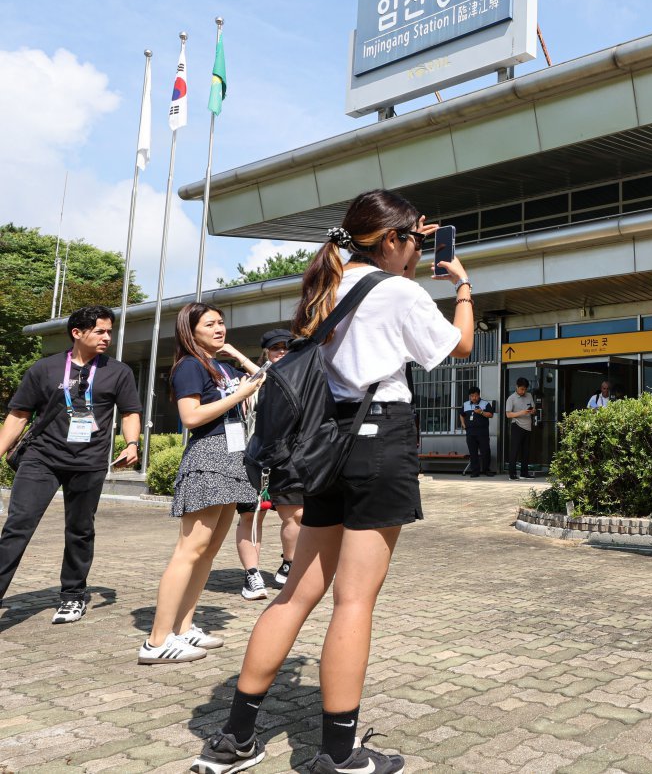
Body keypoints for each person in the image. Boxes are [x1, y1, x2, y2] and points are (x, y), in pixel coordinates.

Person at [191, 189, 473, 774]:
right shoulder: (398, 290)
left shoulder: (325, 286)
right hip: (379, 439)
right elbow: (459, 347)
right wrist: (462, 285)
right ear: (392, 240)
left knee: (296, 592)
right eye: (415, 241)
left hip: (324, 444)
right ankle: (340, 753)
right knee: (355, 601)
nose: (420, 251)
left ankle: (235, 737)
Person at [139, 303, 264, 664]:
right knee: (189, 550)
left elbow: (264, 380)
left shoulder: (219, 365)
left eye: (222, 322)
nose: (219, 328)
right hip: (209, 458)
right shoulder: (190, 366)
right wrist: (237, 395)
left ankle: (183, 628)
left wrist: (236, 355)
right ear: (189, 331)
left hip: (231, 459)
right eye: (210, 324)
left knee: (207, 553)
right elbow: (190, 416)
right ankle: (156, 641)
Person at [0, 306, 141, 624]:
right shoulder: (45, 369)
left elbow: (130, 412)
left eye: (109, 331)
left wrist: (131, 443)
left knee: (79, 530)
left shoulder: (118, 372)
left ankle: (73, 596)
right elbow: (19, 414)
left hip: (89, 462)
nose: (107, 336)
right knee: (17, 526)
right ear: (77, 333)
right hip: (41, 458)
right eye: (100, 331)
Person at [235, 329, 304, 599]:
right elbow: (266, 379)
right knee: (252, 516)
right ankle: (251, 574)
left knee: (296, 515)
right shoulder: (252, 381)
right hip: (254, 458)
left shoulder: (302, 377)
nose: (282, 351)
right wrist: (238, 357)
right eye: (276, 348)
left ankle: (289, 564)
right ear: (267, 353)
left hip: (289, 458)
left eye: (287, 347)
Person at [459, 386, 495, 477]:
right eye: (472, 396)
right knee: (473, 452)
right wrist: (463, 424)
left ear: (479, 395)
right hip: (470, 432)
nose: (474, 398)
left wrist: (481, 412)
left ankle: (486, 470)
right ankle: (475, 471)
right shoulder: (466, 404)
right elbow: (461, 415)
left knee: (485, 451)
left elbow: (491, 415)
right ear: (469, 396)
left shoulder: (485, 404)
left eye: (476, 396)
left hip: (482, 432)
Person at [505, 378, 536, 480]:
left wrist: (532, 411)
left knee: (526, 451)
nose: (523, 391)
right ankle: (512, 474)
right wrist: (522, 412)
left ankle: (524, 473)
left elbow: (533, 409)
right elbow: (508, 414)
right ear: (516, 387)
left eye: (525, 389)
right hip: (517, 426)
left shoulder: (529, 396)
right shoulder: (511, 398)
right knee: (515, 451)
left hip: (528, 426)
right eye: (521, 389)